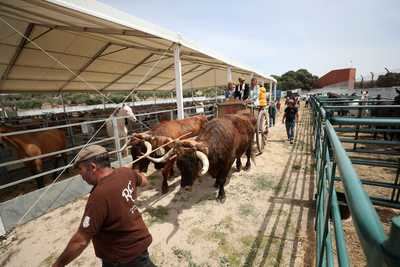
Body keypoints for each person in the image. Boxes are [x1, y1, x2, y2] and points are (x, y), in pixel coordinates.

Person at [52, 145, 155, 267]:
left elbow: (81, 240)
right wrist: (135, 173)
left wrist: (58, 264)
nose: (80, 175)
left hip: (123, 257)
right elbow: (144, 181)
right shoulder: (125, 172)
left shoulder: (98, 196)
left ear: (92, 167)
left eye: (80, 169)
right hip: (139, 244)